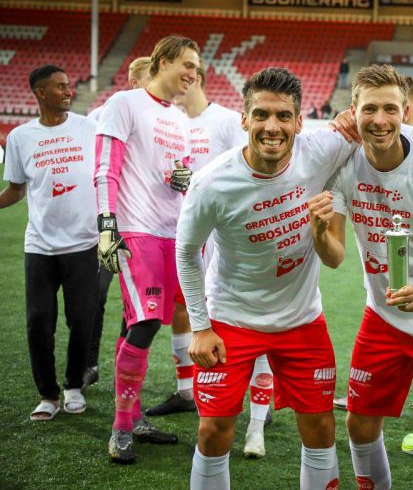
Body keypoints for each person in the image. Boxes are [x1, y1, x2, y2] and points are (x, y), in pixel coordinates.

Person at [177, 67, 356, 489]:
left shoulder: (322, 149)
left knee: (320, 427)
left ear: (299, 121)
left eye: (282, 116)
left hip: (301, 321)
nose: (271, 127)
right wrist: (200, 328)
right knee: (213, 431)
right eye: (261, 115)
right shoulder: (212, 183)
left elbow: (384, 126)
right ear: (244, 120)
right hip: (232, 320)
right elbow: (186, 252)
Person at [311, 64, 413, 489]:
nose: (379, 120)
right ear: (353, 110)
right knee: (360, 426)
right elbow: (335, 257)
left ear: (406, 112)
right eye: (369, 109)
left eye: (389, 109)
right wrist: (319, 233)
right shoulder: (344, 167)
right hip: (382, 317)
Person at [148, 60, 276, 459]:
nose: (176, 87)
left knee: (263, 326)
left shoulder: (223, 120)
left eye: (185, 77)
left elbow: (248, 165)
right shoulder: (172, 123)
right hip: (193, 231)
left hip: (240, 237)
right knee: (186, 311)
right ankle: (189, 391)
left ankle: (257, 423)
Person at [95, 35, 200, 463]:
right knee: (146, 326)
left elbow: (181, 176)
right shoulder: (123, 104)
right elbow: (105, 168)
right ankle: (121, 428)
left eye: (197, 67)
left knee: (136, 322)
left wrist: (183, 179)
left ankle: (134, 416)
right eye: (188, 64)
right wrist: (107, 227)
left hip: (173, 233)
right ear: (162, 60)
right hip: (137, 231)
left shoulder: (179, 119)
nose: (193, 73)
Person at [1, 65, 99, 421]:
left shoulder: (89, 128)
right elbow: (15, 190)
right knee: (38, 322)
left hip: (84, 244)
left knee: (81, 320)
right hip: (40, 247)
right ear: (40, 93)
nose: (67, 90)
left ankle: (74, 385)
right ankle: (48, 395)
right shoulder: (19, 138)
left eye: (68, 84)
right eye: (59, 86)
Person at [83, 56, 152, 393]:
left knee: (136, 310)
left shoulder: (157, 120)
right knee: (95, 297)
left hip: (140, 228)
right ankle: (88, 363)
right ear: (132, 81)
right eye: (145, 82)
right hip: (109, 225)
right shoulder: (102, 116)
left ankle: (123, 370)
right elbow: (97, 170)